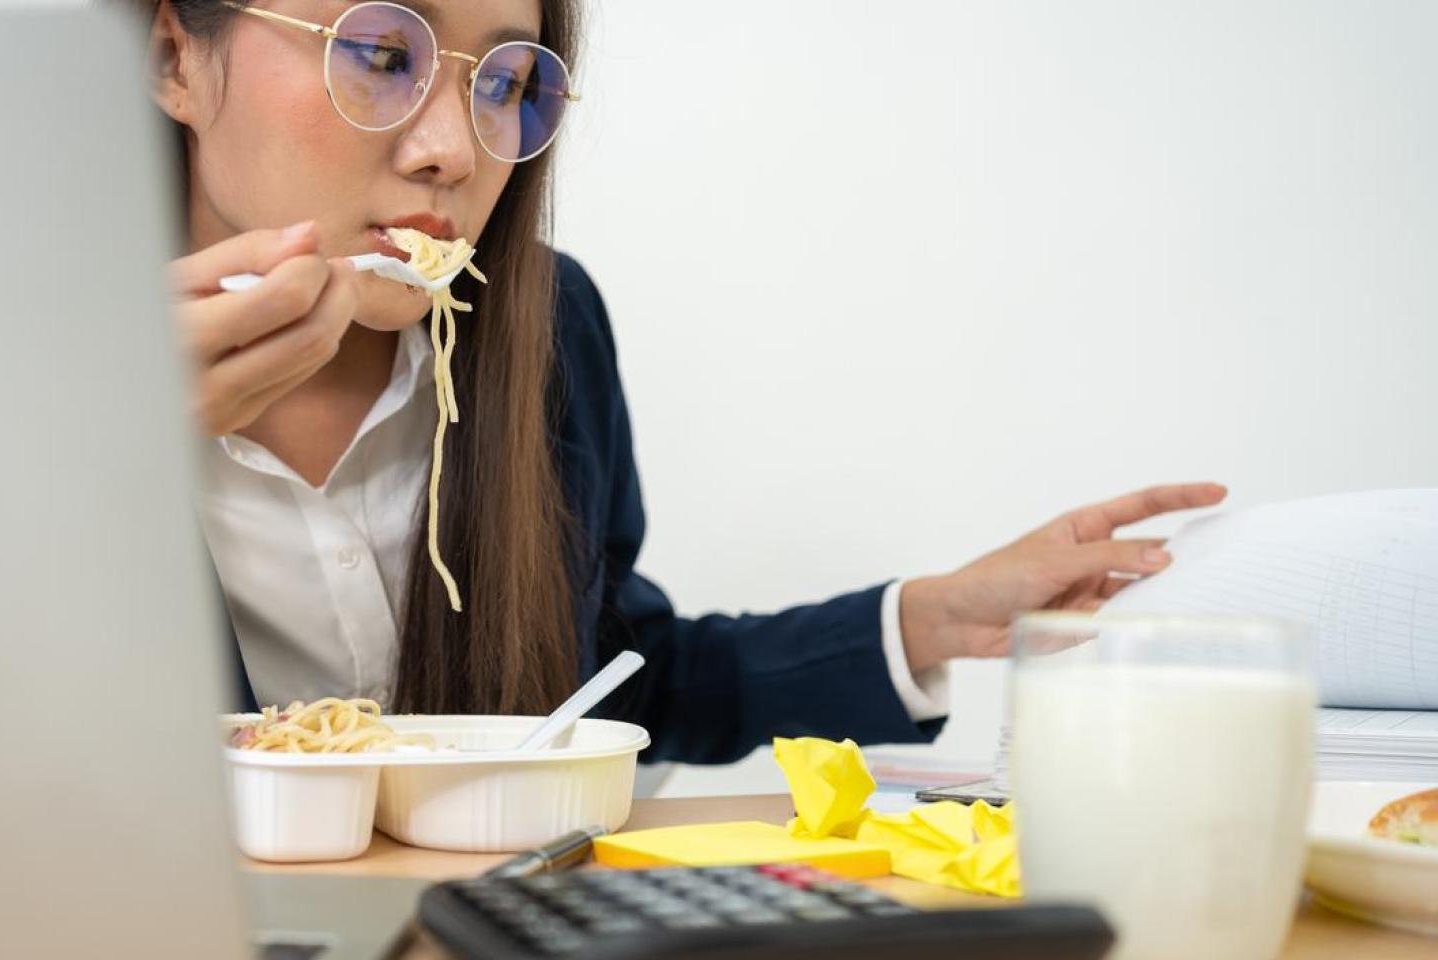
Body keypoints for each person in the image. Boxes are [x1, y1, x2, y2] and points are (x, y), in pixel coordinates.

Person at [139, 0, 1225, 763]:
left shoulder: (549, 327)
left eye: (507, 83)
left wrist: (926, 622)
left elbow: (615, 679)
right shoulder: (6, 371)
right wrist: (97, 452)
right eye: (380, 53)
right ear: (175, 57)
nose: (452, 151)